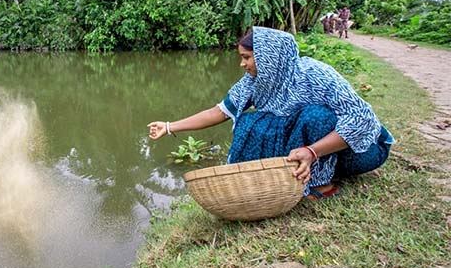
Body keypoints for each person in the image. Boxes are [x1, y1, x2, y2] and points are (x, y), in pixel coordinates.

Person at [147, 27, 393, 200]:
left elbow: (361, 118)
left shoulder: (315, 74)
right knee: (251, 120)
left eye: (246, 58)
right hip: (311, 157)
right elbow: (220, 111)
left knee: (315, 116)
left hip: (358, 152)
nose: (242, 64)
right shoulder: (254, 81)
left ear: (268, 58)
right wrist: (169, 126)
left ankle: (323, 185)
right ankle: (289, 178)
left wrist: (312, 151)